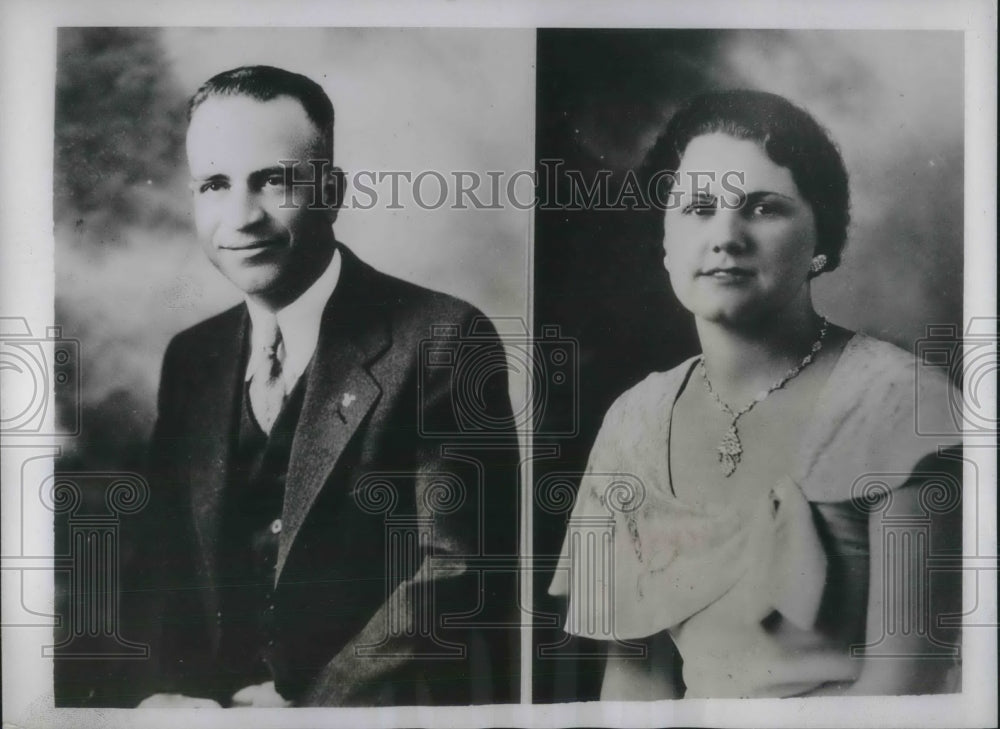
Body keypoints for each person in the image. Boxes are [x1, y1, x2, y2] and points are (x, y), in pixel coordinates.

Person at [549, 90, 963, 699]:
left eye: (764, 208)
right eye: (697, 208)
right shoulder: (633, 423)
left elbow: (906, 686)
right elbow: (635, 685)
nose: (726, 236)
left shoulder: (905, 405)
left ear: (822, 239)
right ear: (663, 239)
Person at [128, 65, 519, 707]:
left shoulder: (445, 338)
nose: (241, 216)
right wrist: (168, 696)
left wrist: (313, 710)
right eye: (215, 184)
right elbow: (156, 568)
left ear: (333, 192)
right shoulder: (191, 358)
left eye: (273, 180)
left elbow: (458, 571)